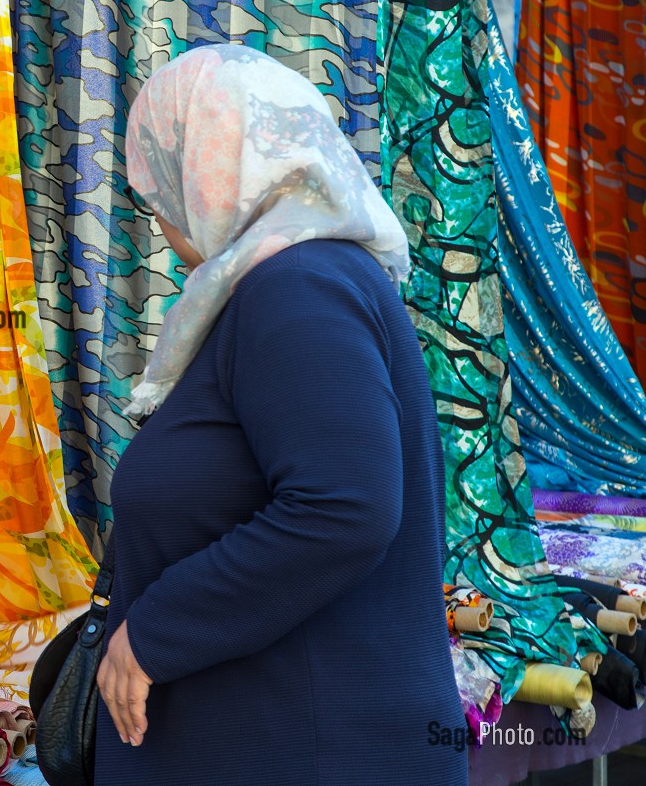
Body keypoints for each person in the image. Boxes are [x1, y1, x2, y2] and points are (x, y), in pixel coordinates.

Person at [94, 44, 467, 784]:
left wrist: (155, 633)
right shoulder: (292, 281)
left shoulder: (296, 289)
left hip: (313, 751)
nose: (163, 220)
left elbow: (345, 506)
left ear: (207, 166)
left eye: (160, 186)